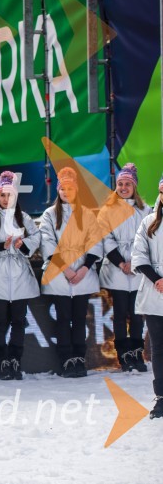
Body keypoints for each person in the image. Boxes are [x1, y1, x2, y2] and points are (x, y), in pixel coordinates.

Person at [0, 171, 41, 380]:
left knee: (19, 322)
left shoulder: (24, 217)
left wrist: (25, 245)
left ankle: (15, 360)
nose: (6, 199)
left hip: (20, 275)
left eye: (10, 195)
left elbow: (36, 235)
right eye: (2, 195)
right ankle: (1, 361)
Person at [40, 166, 103, 378]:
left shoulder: (86, 214)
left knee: (79, 319)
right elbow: (47, 243)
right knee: (62, 318)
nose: (66, 193)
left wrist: (84, 268)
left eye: (70, 189)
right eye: (62, 189)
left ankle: (78, 358)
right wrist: (66, 270)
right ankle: (66, 359)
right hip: (60, 274)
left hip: (82, 274)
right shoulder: (49, 215)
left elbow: (95, 242)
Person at [99, 163, 151, 372]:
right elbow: (105, 239)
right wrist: (121, 263)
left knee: (137, 314)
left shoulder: (145, 210)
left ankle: (137, 353)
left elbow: (149, 238)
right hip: (117, 271)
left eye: (127, 184)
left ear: (134, 186)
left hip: (138, 270)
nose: (123, 187)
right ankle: (124, 355)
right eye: (120, 184)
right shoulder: (108, 210)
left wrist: (136, 263)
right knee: (120, 313)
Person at [130, 173, 163, 419]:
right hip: (155, 294)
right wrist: (157, 279)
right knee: (158, 348)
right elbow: (139, 256)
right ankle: (161, 397)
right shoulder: (148, 221)